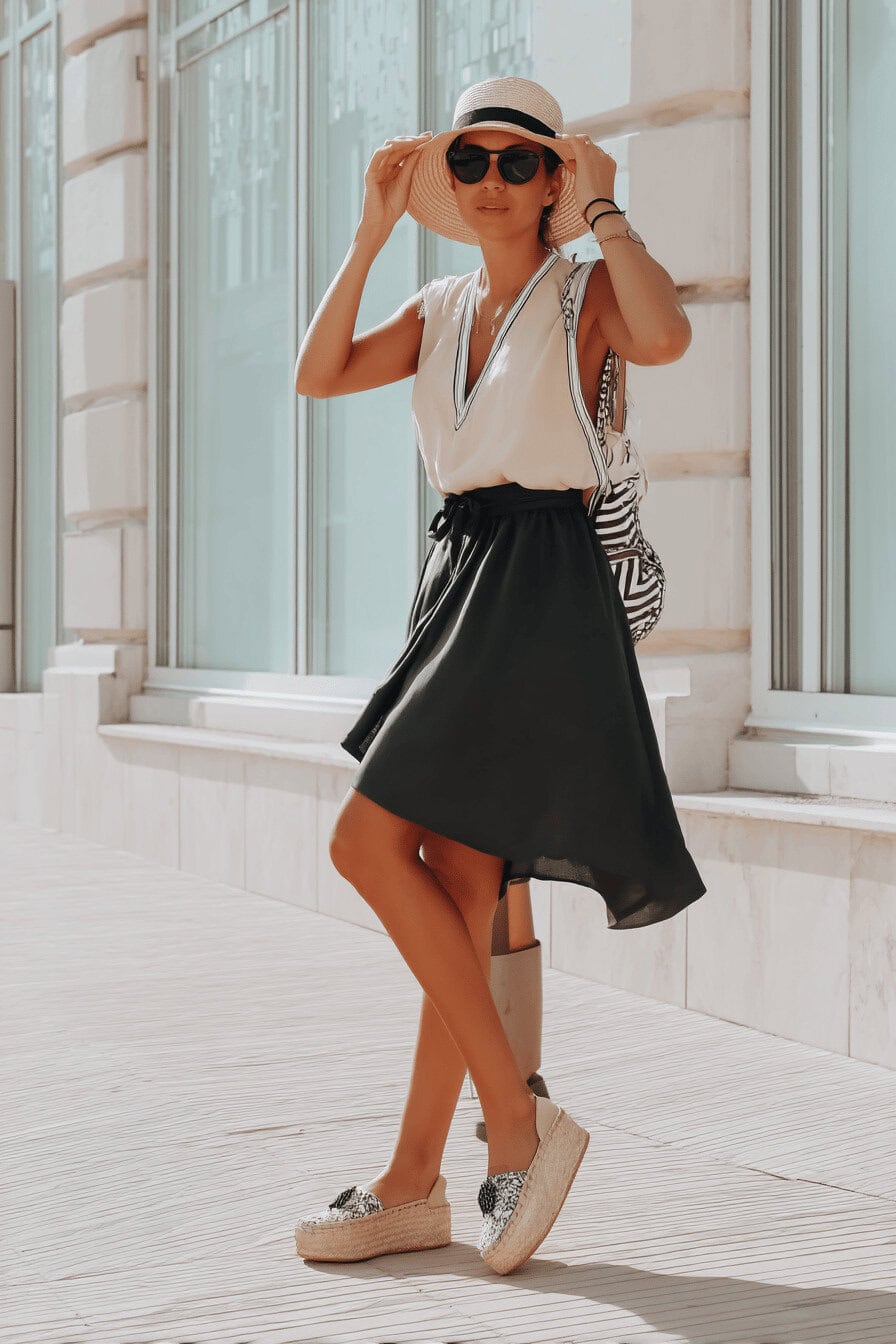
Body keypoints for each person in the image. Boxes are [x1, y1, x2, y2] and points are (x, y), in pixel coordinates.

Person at [292, 76, 707, 1275]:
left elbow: (668, 337)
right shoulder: (435, 304)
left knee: (365, 844)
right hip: (464, 573)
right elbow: (318, 374)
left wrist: (608, 213)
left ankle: (516, 1124)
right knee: (460, 884)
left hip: (542, 577)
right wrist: (369, 234)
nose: (488, 183)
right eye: (467, 163)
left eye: (516, 164)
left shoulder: (582, 293)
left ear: (551, 181)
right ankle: (416, 1177)